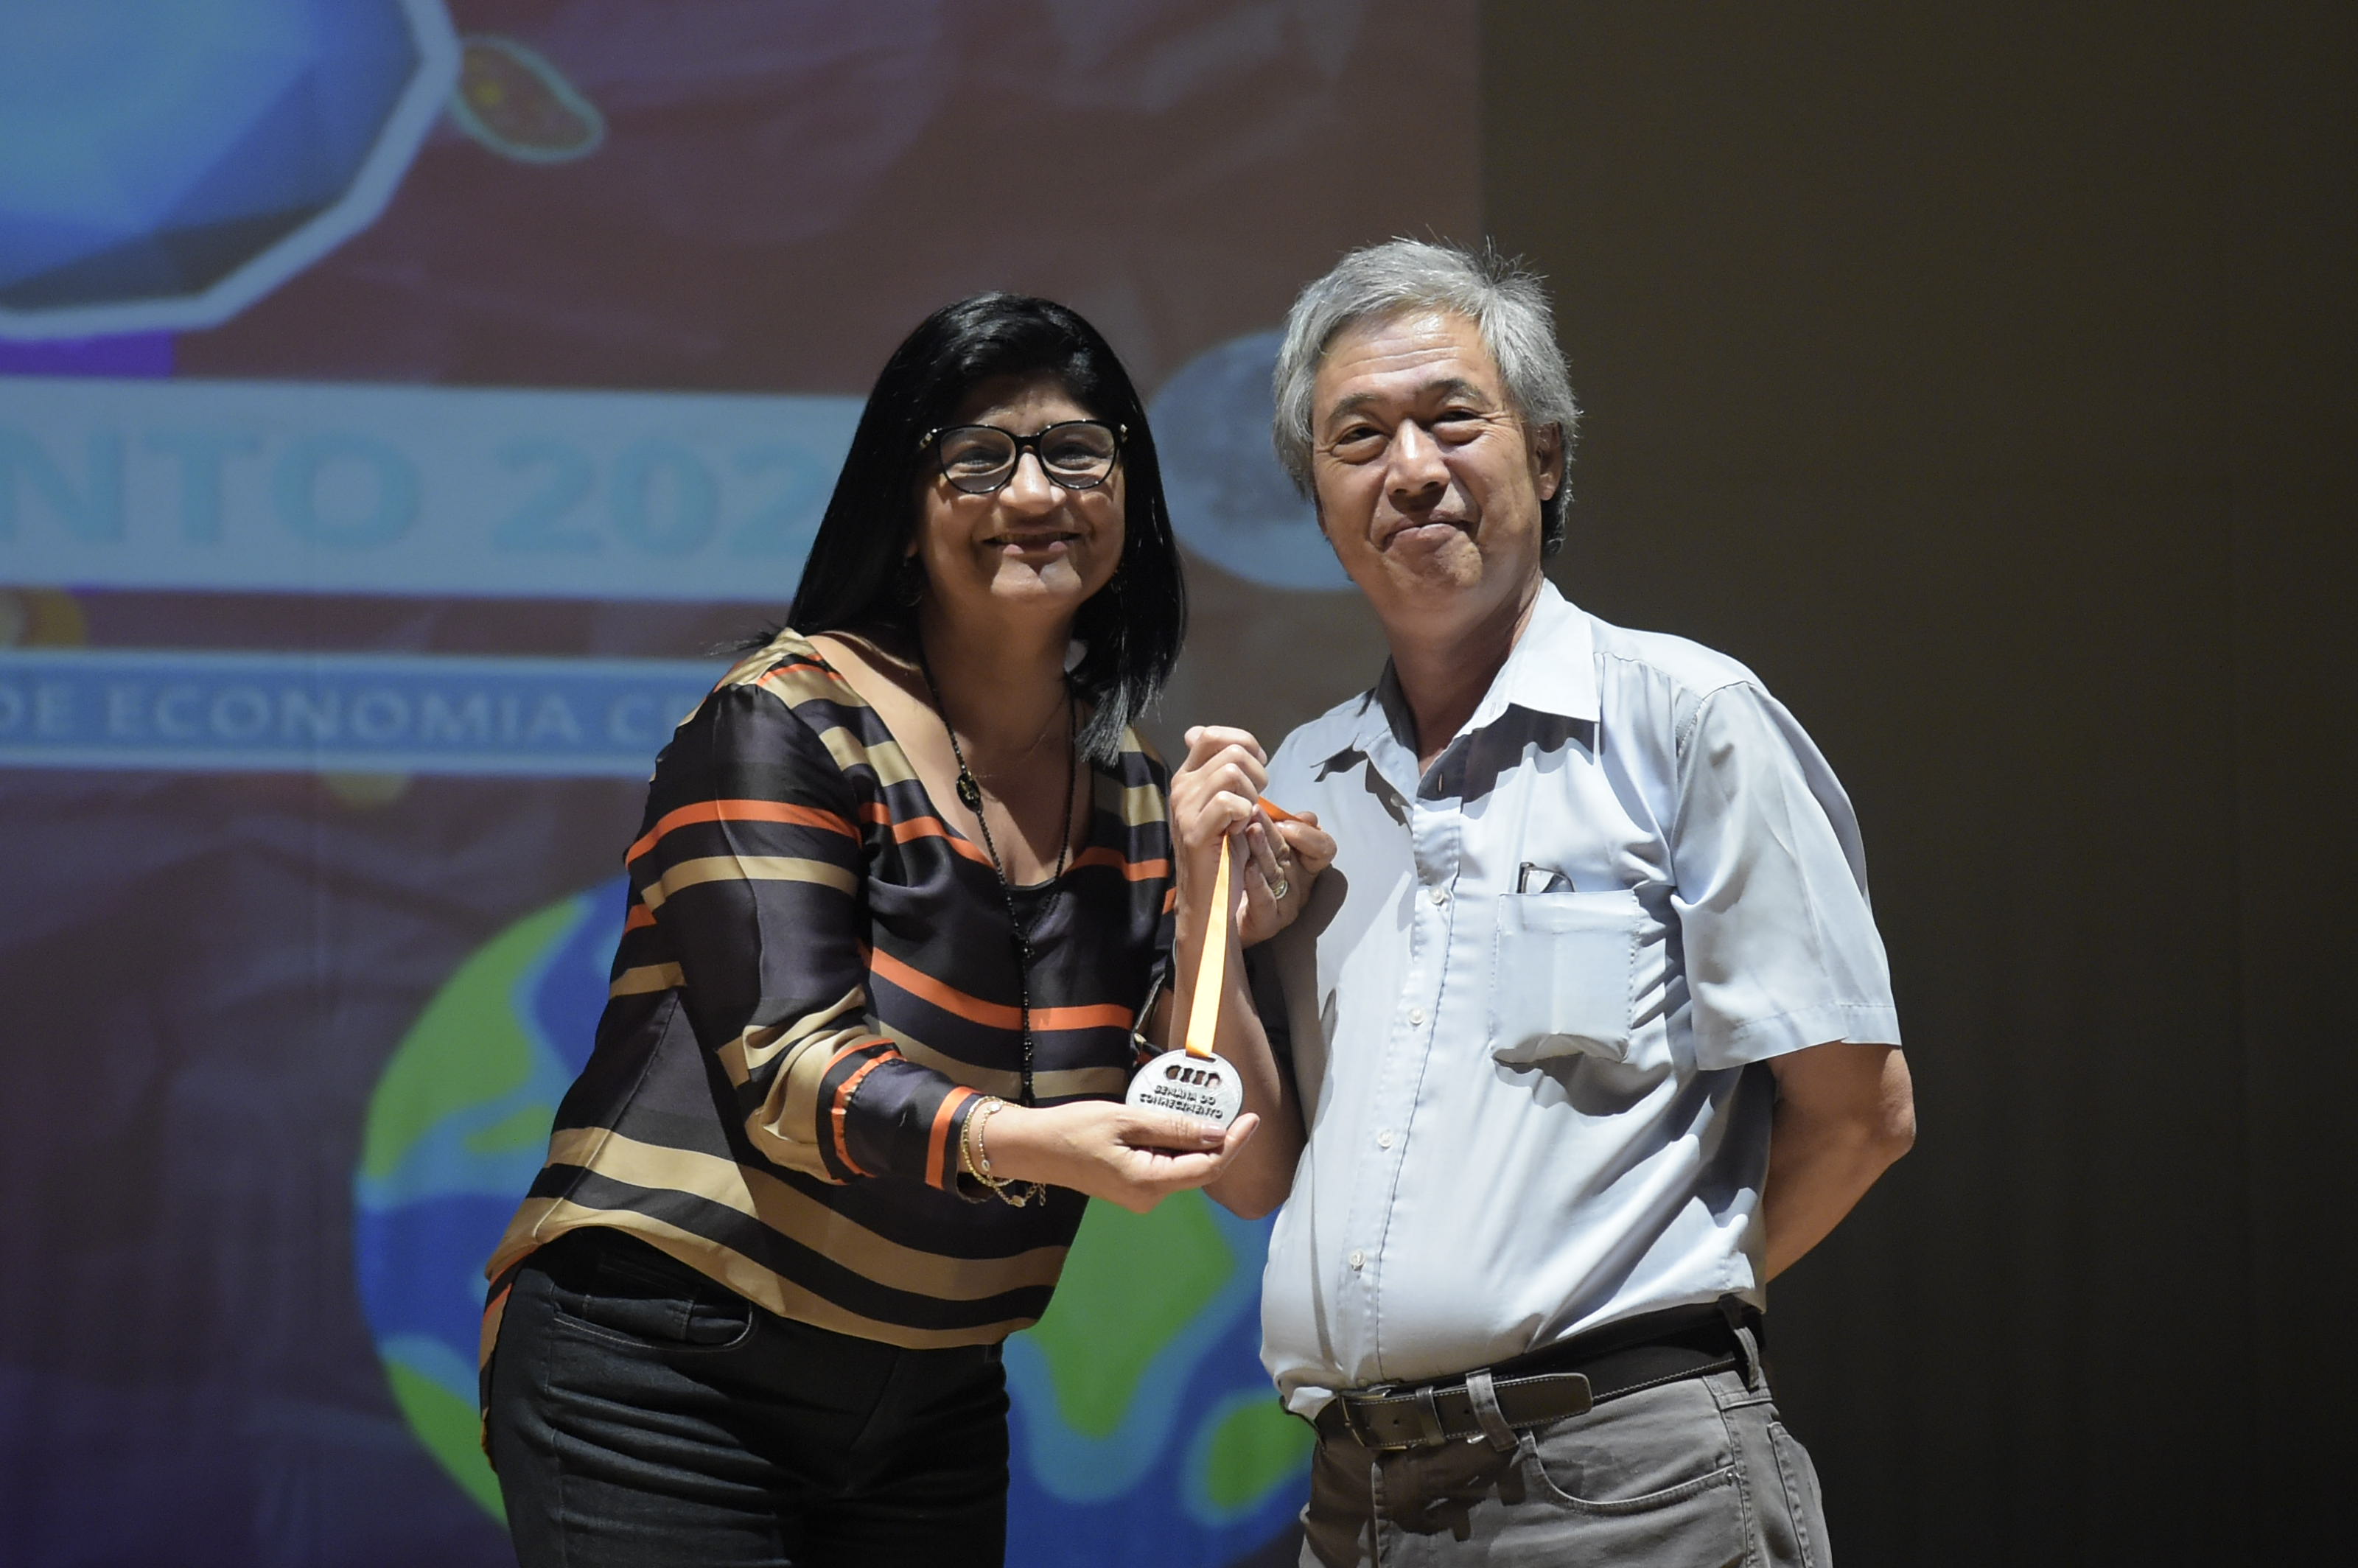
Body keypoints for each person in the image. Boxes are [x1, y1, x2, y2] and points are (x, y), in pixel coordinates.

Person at [478, 293, 1271, 1568]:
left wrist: (1215, 899)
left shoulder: (1135, 790)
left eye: (1078, 452)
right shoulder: (783, 717)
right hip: (665, 1361)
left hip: (933, 1398)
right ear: (902, 507)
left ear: (1133, 495)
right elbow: (790, 1071)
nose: (1035, 493)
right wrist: (1034, 1144)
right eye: (979, 457)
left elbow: (1238, 1160)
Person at [1169, 239, 1917, 1566]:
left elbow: (1862, 1115)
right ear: (1321, 504)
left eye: (1453, 418)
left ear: (1549, 455)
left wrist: (1643, 1328)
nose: (1412, 468)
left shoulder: (1687, 720)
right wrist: (1202, 914)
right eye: (1359, 438)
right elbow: (1250, 1171)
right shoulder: (1301, 782)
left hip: (1630, 1489)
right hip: (1357, 1502)